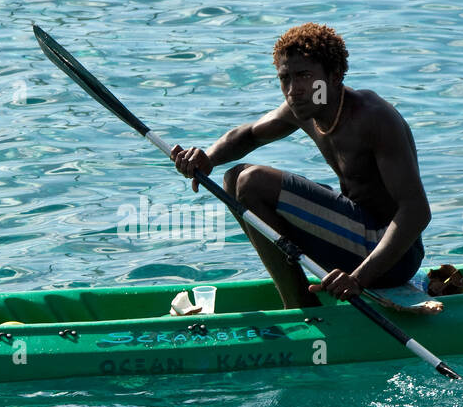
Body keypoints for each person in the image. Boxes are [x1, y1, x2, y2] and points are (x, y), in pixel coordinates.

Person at [172, 22, 431, 309]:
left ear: (335, 76)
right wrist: (206, 158)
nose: (293, 90)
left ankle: (300, 308)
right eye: (285, 78)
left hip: (393, 258)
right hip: (350, 239)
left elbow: (417, 212)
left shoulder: (373, 118)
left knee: (252, 182)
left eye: (305, 76)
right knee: (233, 179)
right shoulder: (304, 108)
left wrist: (358, 279)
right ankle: (296, 299)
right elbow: (247, 135)